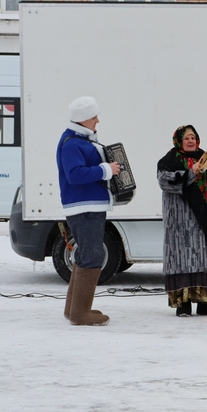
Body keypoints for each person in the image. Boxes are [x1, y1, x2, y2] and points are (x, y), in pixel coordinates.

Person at [56, 96, 120, 326]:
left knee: (85, 254)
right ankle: (80, 313)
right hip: (84, 207)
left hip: (88, 205)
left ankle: (74, 309)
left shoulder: (76, 140)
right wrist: (105, 170)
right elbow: (74, 175)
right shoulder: (72, 143)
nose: (97, 120)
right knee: (92, 255)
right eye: (94, 117)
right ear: (83, 119)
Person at [157, 125, 207, 317]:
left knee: (205, 258)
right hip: (181, 220)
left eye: (193, 137)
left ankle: (206, 304)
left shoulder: (202, 157)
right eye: (187, 138)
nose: (191, 141)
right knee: (183, 258)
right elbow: (165, 182)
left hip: (204, 217)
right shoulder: (169, 160)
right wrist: (191, 172)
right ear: (179, 141)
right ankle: (183, 304)